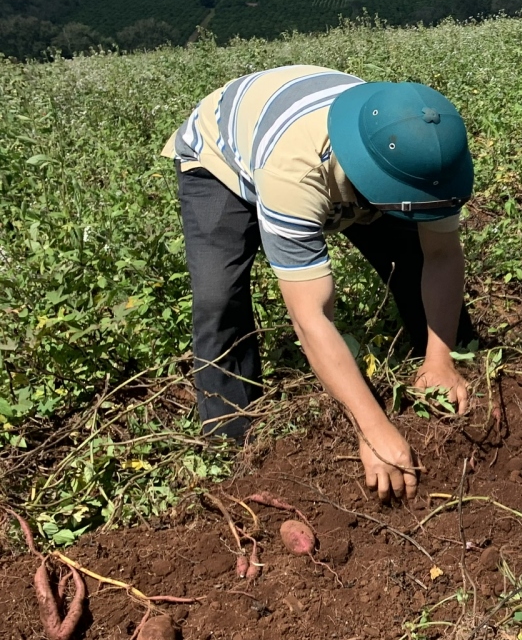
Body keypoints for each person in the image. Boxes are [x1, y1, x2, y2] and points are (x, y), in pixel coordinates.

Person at [162, 65, 477, 502]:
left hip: (337, 148)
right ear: (367, 182)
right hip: (223, 156)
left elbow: (440, 255)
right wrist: (374, 429)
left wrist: (440, 362)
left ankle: (449, 363)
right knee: (220, 298)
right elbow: (311, 317)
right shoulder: (293, 173)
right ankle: (230, 448)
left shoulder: (424, 156)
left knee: (412, 251)